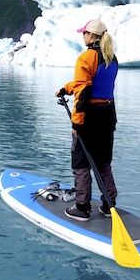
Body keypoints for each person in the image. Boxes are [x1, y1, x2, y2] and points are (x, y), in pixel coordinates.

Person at [55, 18, 119, 221]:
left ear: (91, 36)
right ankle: (109, 204)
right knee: (103, 162)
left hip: (89, 116)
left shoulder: (86, 57)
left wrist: (77, 123)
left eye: (84, 33)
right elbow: (92, 83)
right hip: (107, 116)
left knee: (81, 163)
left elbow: (84, 91)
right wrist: (66, 88)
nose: (82, 35)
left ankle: (82, 208)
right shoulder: (111, 57)